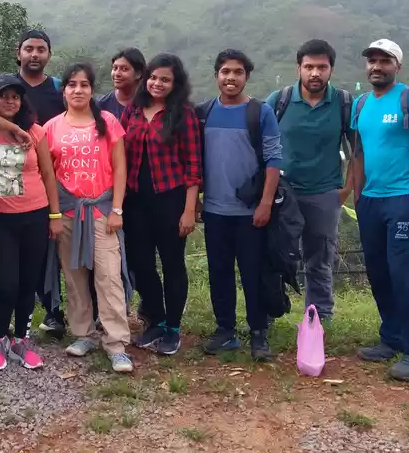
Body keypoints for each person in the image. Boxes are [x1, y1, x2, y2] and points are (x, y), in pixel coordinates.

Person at [349, 39, 409, 382]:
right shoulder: (360, 105)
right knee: (378, 272)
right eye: (371, 60)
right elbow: (357, 153)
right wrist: (357, 193)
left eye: (384, 61)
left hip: (401, 199)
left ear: (396, 65)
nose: (376, 66)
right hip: (370, 200)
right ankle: (392, 338)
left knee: (403, 275)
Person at [43, 63, 134, 373]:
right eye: (71, 84)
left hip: (101, 211)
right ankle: (84, 334)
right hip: (67, 212)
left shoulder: (107, 122)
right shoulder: (51, 127)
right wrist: (54, 214)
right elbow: (47, 174)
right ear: (64, 90)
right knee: (74, 275)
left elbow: (120, 168)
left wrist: (117, 209)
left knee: (108, 276)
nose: (78, 90)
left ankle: (116, 342)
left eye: (84, 84)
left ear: (92, 89)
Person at [0, 74, 62, 371]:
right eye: (3, 95)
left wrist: (55, 216)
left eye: (15, 96)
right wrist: (12, 128)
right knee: (6, 283)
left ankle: (21, 339)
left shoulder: (36, 131)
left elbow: (49, 175)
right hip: (1, 219)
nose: (10, 101)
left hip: (36, 214)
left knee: (27, 282)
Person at [197, 49, 282, 361]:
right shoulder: (203, 112)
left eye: (237, 72)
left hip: (250, 212)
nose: (230, 77)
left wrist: (265, 203)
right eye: (225, 71)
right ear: (217, 75)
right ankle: (225, 330)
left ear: (247, 76)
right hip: (214, 211)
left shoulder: (260, 113)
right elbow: (194, 161)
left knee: (253, 272)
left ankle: (258, 332)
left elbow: (274, 159)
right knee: (219, 272)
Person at [265, 39, 354, 322]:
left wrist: (346, 190)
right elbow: (259, 147)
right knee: (274, 255)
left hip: (324, 193)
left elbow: (358, 152)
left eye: (322, 67)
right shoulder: (278, 100)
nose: (315, 73)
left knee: (319, 260)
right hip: (283, 193)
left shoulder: (343, 103)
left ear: (331, 70)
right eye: (309, 67)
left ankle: (320, 316)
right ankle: (268, 313)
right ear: (298, 68)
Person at [120, 53, 201, 356]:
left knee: (172, 264)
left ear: (175, 83)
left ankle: (174, 329)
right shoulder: (133, 111)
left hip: (170, 199)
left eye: (165, 79)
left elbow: (193, 166)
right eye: (153, 77)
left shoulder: (184, 115)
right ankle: (156, 318)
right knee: (140, 264)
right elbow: (121, 155)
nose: (157, 83)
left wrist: (189, 209)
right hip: (135, 201)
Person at [10, 29, 69, 338]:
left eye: (41, 49)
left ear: (49, 54)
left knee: (50, 249)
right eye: (29, 48)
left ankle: (53, 311)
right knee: (9, 249)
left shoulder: (58, 90)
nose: (34, 54)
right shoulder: (6, 87)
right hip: (8, 181)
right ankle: (8, 309)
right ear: (18, 52)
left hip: (52, 179)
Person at [97, 47, 146, 119]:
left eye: (124, 69)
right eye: (115, 68)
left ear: (138, 74)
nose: (117, 73)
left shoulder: (150, 103)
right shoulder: (102, 105)